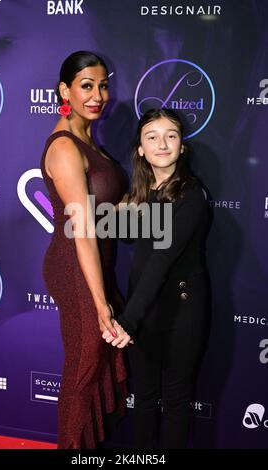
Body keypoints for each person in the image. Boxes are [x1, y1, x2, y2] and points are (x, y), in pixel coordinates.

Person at [103, 108, 209, 448]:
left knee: (176, 402)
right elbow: (127, 235)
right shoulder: (143, 193)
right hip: (144, 308)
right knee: (144, 399)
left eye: (171, 136)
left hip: (181, 311)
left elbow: (162, 258)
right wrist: (116, 200)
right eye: (152, 136)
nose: (162, 144)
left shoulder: (191, 195)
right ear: (140, 149)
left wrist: (128, 320)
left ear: (182, 146)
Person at [40, 51, 129, 449]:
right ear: (65, 91)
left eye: (103, 85)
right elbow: (83, 230)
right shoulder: (64, 147)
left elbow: (109, 210)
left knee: (90, 365)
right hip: (76, 265)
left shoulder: (87, 140)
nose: (97, 95)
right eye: (86, 86)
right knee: (84, 366)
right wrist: (99, 302)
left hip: (93, 265)